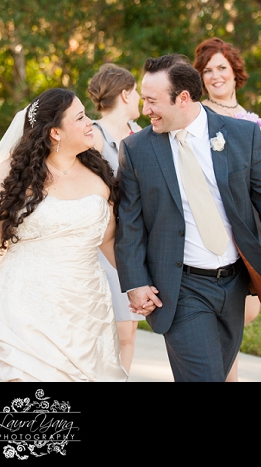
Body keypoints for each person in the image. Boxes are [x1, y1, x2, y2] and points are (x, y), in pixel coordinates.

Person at [116, 54, 261, 382]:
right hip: (180, 288)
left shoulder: (242, 136)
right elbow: (130, 222)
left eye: (152, 101)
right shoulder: (136, 149)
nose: (145, 109)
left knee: (217, 375)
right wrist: (135, 281)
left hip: (234, 285)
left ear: (182, 98)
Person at [0, 88, 127, 382]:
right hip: (19, 308)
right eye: (80, 117)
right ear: (55, 132)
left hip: (85, 312)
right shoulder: (13, 175)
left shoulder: (100, 173)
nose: (90, 121)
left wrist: (142, 284)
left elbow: (108, 241)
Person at [192, 37, 261, 382]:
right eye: (207, 71)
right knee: (228, 318)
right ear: (200, 79)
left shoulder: (253, 121)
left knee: (244, 315)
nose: (215, 76)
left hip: (249, 226)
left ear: (235, 72)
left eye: (222, 68)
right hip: (215, 227)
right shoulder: (200, 119)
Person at [86, 63, 145, 373]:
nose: (139, 99)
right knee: (113, 330)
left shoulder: (141, 135)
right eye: (136, 92)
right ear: (125, 94)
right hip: (101, 244)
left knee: (129, 332)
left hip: (133, 241)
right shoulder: (93, 135)